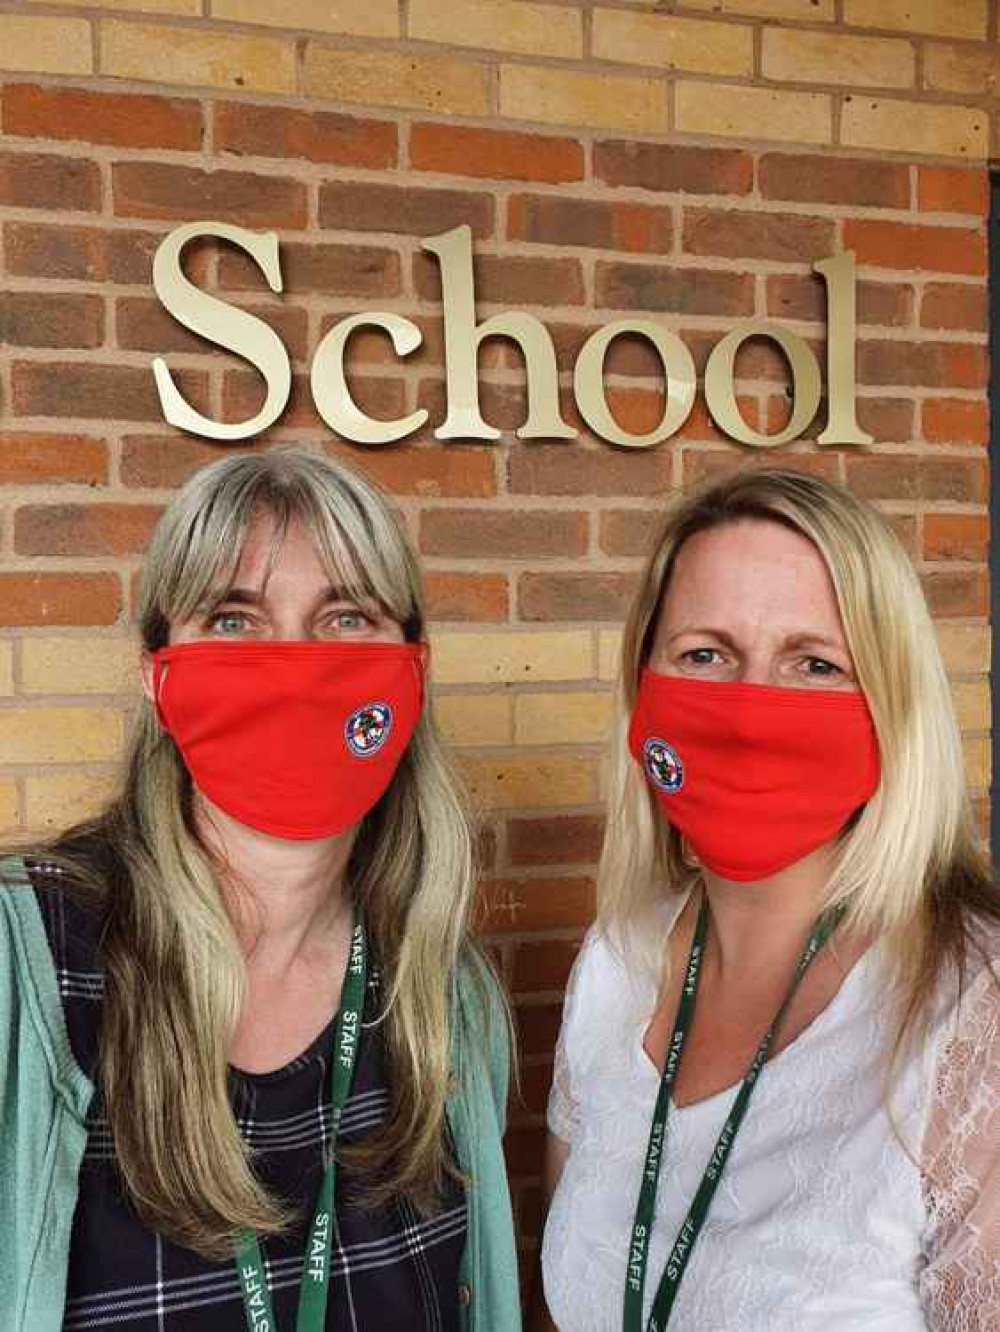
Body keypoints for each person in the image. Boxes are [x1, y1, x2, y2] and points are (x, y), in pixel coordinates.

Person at [0, 448, 521, 1332]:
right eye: (235, 620)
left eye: (347, 617)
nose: (295, 664)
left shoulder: (443, 996)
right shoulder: (30, 963)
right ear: (156, 674)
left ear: (413, 669)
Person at [532, 467, 1000, 1331]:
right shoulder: (616, 959)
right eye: (704, 655)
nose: (750, 712)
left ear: (892, 703)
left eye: (815, 663)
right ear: (642, 690)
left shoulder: (973, 1012)